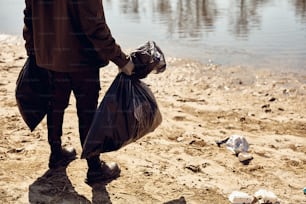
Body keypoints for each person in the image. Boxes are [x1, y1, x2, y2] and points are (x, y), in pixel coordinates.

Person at [23, 0, 134, 184]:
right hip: (82, 58)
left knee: (55, 104)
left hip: (49, 55)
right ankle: (94, 168)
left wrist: (33, 50)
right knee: (87, 110)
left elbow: (29, 15)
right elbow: (94, 26)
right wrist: (122, 60)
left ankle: (56, 153)